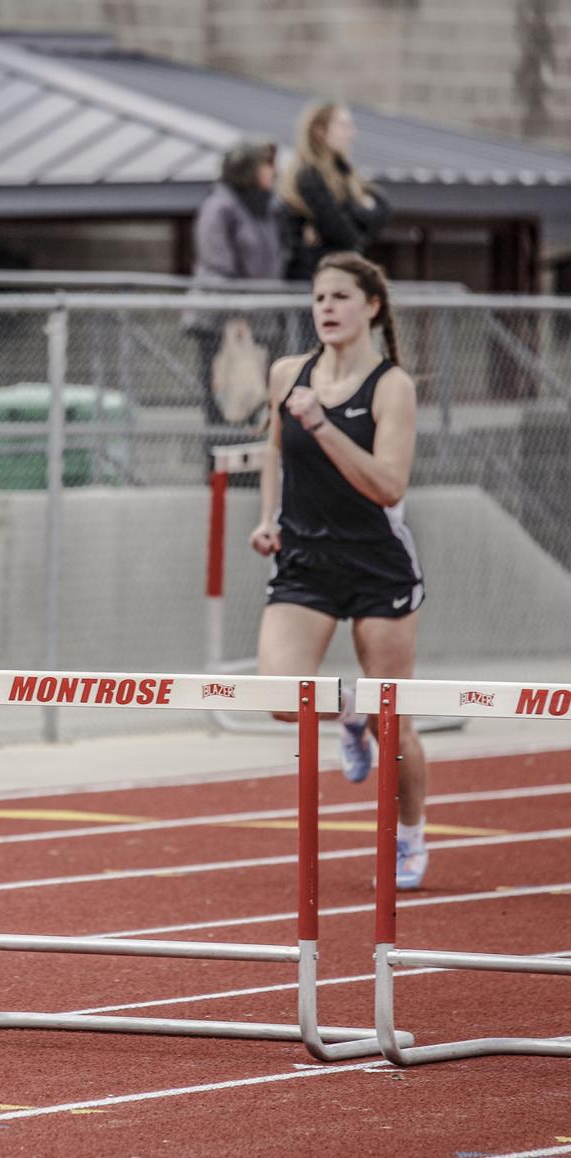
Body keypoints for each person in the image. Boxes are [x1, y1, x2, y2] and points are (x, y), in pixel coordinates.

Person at [248, 251, 429, 889]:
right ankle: (347, 713)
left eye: (340, 297)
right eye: (319, 298)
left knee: (396, 719)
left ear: (371, 306)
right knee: (279, 697)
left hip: (375, 561)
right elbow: (274, 454)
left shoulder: (392, 386)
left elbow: (387, 484)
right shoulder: (287, 374)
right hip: (304, 558)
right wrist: (269, 517)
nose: (327, 308)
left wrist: (324, 426)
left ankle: (409, 835)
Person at [188, 139, 284, 426]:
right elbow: (217, 265)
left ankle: (257, 472)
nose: (274, 171)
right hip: (223, 325)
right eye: (266, 164)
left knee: (261, 410)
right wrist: (238, 310)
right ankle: (222, 471)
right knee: (227, 411)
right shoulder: (220, 207)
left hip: (261, 325)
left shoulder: (267, 208)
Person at [279, 102, 390, 281]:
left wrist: (351, 214)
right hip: (312, 281)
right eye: (343, 125)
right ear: (319, 131)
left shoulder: (344, 173)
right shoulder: (308, 175)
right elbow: (343, 233)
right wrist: (359, 213)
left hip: (338, 277)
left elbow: (382, 208)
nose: (351, 133)